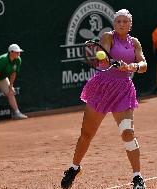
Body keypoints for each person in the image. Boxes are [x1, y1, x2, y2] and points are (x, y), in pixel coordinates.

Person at [61, 9, 147, 189]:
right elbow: (104, 56)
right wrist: (114, 63)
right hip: (102, 88)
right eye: (118, 21)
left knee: (128, 133)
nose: (121, 24)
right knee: (87, 134)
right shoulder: (108, 37)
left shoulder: (135, 42)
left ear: (130, 25)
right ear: (114, 24)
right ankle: (74, 167)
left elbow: (144, 64)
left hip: (123, 89)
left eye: (125, 21)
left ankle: (138, 177)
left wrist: (134, 66)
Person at [0, 44, 28, 124]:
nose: (19, 54)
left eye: (19, 52)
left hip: (1, 77)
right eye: (17, 52)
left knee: (10, 93)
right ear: (11, 52)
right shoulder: (3, 60)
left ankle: (17, 113)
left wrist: (11, 85)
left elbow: (13, 73)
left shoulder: (18, 60)